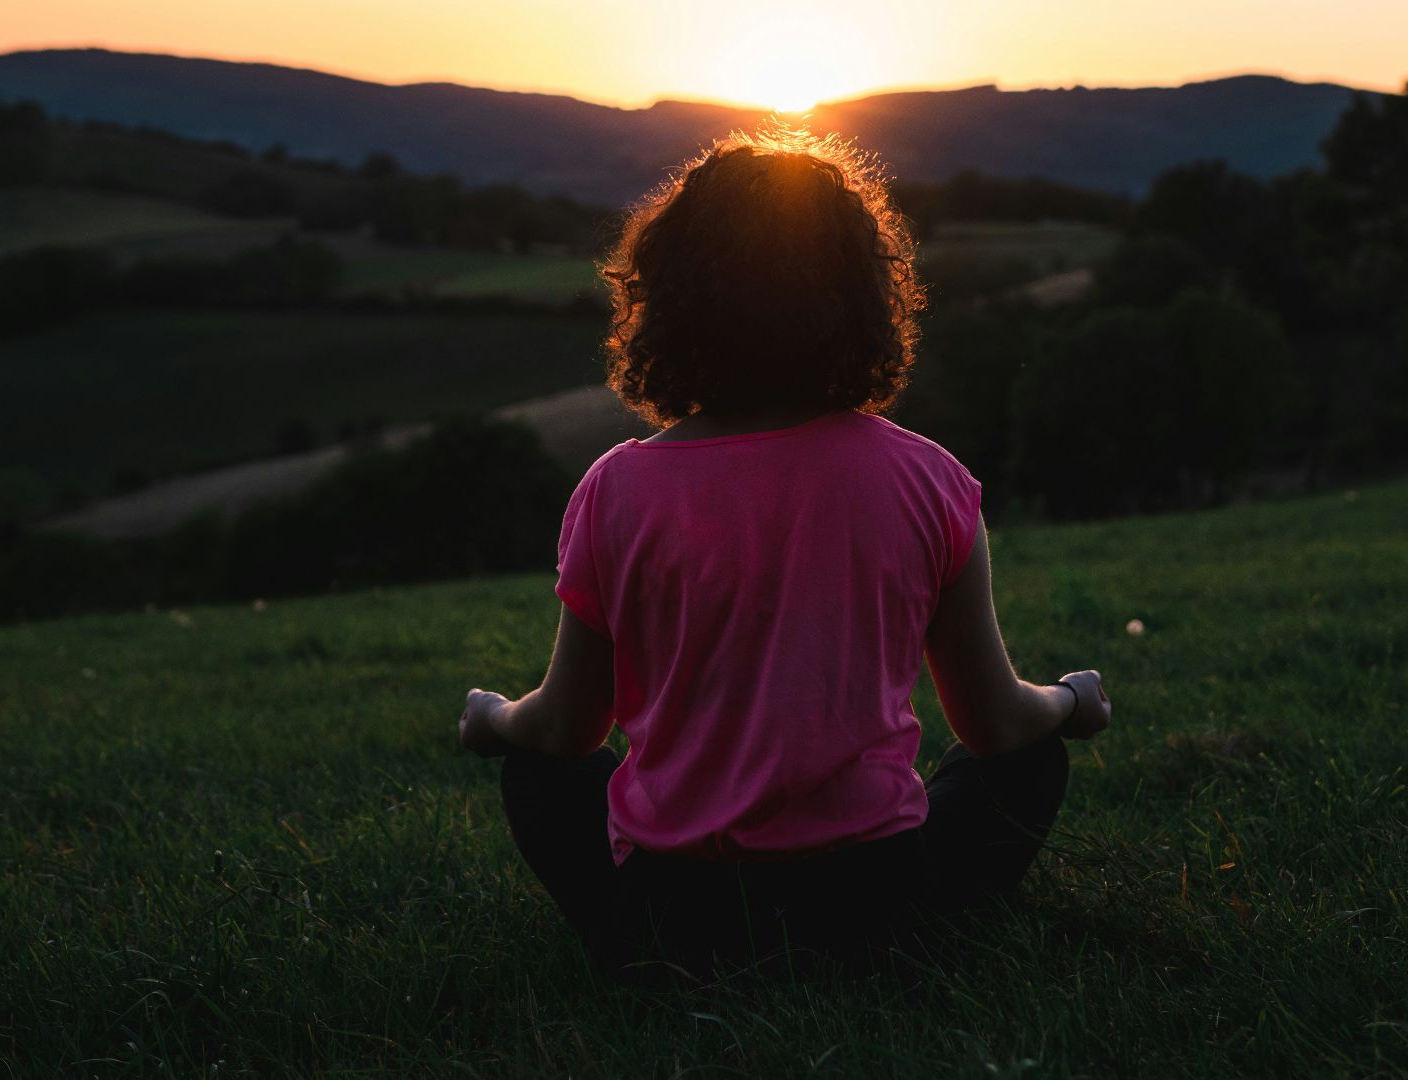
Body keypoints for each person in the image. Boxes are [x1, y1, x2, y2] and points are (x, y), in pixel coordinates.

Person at [458, 127, 1111, 978]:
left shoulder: (615, 489)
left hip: (671, 917)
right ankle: (901, 944)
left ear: (671, 298)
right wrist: (1070, 701)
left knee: (537, 775)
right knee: (1026, 763)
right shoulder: (930, 478)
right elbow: (995, 726)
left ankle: (641, 948)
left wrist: (493, 717)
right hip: (879, 909)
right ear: (861, 299)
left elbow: (565, 729)